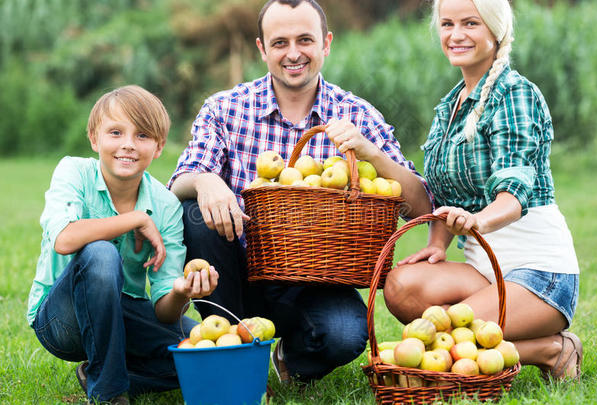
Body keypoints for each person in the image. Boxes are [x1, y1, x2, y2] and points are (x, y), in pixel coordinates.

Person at [169, 0, 432, 383]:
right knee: (195, 210)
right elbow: (177, 184)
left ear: (326, 43)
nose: (293, 53)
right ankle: (227, 347)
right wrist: (206, 180)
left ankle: (291, 359)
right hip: (236, 272)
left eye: (305, 40)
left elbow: (420, 207)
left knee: (345, 334)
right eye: (280, 43)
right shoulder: (225, 108)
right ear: (262, 49)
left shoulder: (356, 115)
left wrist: (371, 152)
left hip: (314, 278)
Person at [383, 0, 582, 381]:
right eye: (447, 24)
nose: (456, 35)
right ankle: (530, 338)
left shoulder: (514, 94)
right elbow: (444, 193)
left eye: (470, 23)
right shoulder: (449, 106)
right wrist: (438, 242)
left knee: (444, 342)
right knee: (402, 287)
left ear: (495, 30)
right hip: (483, 269)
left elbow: (514, 194)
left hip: (539, 274)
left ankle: (553, 348)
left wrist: (477, 221)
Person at [27, 85, 219, 404]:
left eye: (142, 135)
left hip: (123, 311)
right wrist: (136, 220)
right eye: (115, 132)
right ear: (94, 138)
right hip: (61, 318)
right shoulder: (73, 171)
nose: (128, 145)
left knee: (199, 356)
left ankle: (102, 372)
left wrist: (180, 292)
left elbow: (164, 311)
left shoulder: (166, 205)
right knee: (99, 252)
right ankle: (110, 393)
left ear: (158, 147)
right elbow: (64, 239)